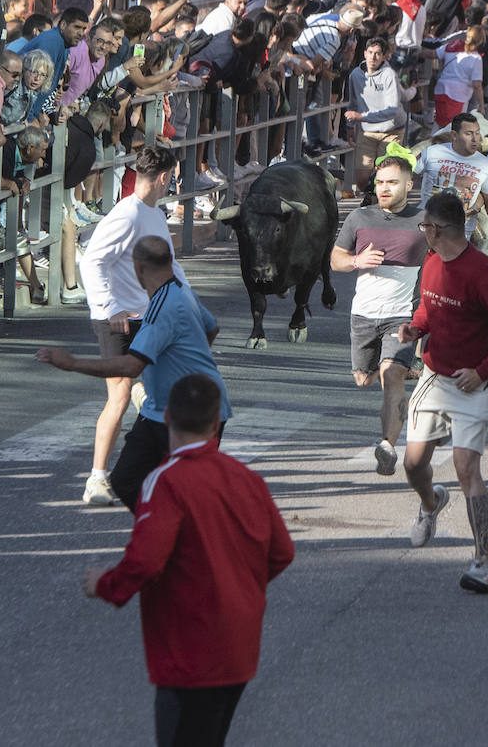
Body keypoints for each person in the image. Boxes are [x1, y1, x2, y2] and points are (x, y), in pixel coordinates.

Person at [83, 373, 294, 747]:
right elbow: (281, 552)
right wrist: (239, 585)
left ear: (165, 417)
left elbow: (145, 561)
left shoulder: (166, 481)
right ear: (217, 423)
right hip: (240, 642)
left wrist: (104, 584)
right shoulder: (247, 479)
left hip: (188, 647)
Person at [396, 193, 488, 593]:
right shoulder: (433, 261)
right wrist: (415, 328)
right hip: (435, 378)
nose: (423, 233)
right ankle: (430, 503)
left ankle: (481, 563)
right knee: (413, 464)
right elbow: (429, 308)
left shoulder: (482, 274)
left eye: (425, 227)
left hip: (472, 383)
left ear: (436, 230)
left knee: (465, 469)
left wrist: (483, 371)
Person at [36, 236, 232, 510]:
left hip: (194, 412)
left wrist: (71, 363)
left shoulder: (163, 307)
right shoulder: (180, 290)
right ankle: (163, 532)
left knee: (190, 492)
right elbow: (211, 327)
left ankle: (180, 537)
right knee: (127, 481)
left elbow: (131, 366)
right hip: (160, 410)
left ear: (138, 268)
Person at [75, 147, 182, 506]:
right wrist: (110, 306)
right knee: (118, 397)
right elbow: (92, 260)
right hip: (116, 320)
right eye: (174, 176)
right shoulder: (128, 215)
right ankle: (97, 479)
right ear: (164, 177)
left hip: (146, 317)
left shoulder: (153, 214)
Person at [331, 155, 429, 476]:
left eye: (392, 182)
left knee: (391, 376)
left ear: (409, 185)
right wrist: (357, 262)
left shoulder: (423, 222)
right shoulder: (359, 218)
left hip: (402, 316)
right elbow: (336, 260)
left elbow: (450, 258)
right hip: (363, 315)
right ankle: (402, 365)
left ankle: (387, 446)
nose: (384, 188)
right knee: (364, 378)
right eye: (380, 181)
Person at [414, 113, 488, 261]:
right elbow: (405, 174)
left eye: (477, 133)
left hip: (460, 235)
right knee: (424, 278)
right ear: (454, 135)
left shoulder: (486, 165)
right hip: (429, 229)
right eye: (469, 134)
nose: (475, 139)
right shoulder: (432, 152)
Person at [344, 37, 409, 194]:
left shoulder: (389, 75)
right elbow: (353, 102)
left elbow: (392, 109)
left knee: (383, 175)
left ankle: (379, 208)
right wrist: (350, 127)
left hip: (392, 130)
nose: (373, 57)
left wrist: (361, 117)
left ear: (384, 56)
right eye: (371, 52)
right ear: (365, 53)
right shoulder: (355, 75)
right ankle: (373, 199)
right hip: (367, 131)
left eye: (378, 54)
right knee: (361, 180)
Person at [431, 25, 485, 127]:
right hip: (458, 96)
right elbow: (477, 85)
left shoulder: (451, 47)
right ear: (480, 41)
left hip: (440, 90)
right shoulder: (476, 58)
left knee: (439, 125)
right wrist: (482, 106)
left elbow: (433, 54)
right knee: (453, 129)